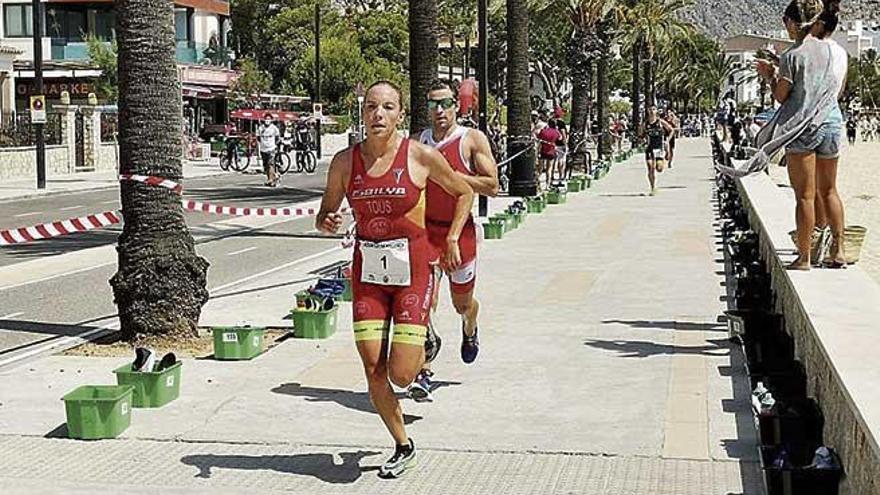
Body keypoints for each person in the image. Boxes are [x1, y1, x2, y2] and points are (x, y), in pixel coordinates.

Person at [315, 81, 473, 478]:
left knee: (402, 374)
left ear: (400, 114)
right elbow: (325, 214)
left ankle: (425, 343)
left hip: (413, 274)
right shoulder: (344, 163)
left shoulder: (419, 156)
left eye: (387, 107)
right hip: (368, 277)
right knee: (373, 368)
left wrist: (452, 237)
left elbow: (464, 193)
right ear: (363, 113)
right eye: (371, 107)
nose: (378, 114)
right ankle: (403, 444)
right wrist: (328, 221)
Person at [409, 79, 499, 402]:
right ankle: (424, 371)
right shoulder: (418, 142)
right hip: (427, 232)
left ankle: (470, 326)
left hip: (461, 233)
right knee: (423, 302)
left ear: (456, 106)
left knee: (461, 303)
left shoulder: (471, 140)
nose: (439, 110)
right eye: (433, 104)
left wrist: (455, 178)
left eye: (445, 103)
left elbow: (493, 185)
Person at [754, 0, 843, 270]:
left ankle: (804, 257)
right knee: (829, 191)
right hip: (832, 122)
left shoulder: (793, 56)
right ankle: (838, 251)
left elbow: (782, 97)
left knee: (804, 195)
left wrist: (770, 76)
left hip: (804, 127)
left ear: (793, 23)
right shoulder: (832, 50)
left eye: (786, 22)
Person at [639, 105, 674, 196]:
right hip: (650, 148)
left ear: (656, 111)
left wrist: (667, 140)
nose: (651, 111)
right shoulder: (645, 124)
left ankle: (662, 163)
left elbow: (671, 130)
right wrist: (642, 139)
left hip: (659, 147)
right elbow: (640, 134)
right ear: (647, 111)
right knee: (650, 167)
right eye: (650, 109)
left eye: (653, 109)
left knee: (659, 168)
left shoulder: (661, 122)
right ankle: (653, 187)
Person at [537, 119, 563, 187]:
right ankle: (547, 185)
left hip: (542, 150)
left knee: (540, 168)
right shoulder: (556, 132)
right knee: (549, 169)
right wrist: (557, 130)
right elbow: (560, 138)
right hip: (551, 151)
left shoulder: (544, 131)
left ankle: (537, 182)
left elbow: (538, 137)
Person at [258, 114, 281, 187]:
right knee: (265, 165)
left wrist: (275, 145)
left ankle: (271, 179)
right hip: (263, 148)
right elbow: (258, 137)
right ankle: (270, 178)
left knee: (270, 164)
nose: (267, 120)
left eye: (269, 119)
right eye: (266, 119)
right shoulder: (260, 128)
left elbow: (277, 137)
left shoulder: (274, 128)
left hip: (271, 148)